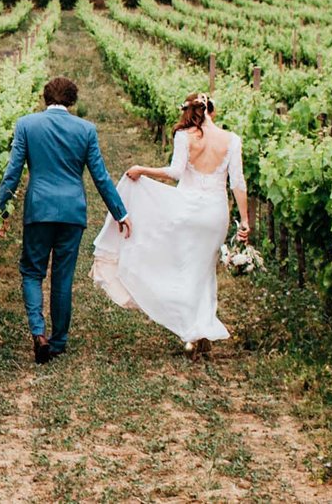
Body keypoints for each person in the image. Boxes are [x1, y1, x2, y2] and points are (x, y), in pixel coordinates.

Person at [91, 92, 250, 358]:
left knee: (185, 269)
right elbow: (237, 183)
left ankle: (192, 332)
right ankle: (201, 331)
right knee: (204, 271)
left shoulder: (184, 137)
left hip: (187, 211)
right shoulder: (232, 140)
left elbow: (175, 172)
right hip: (215, 213)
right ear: (212, 110)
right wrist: (244, 220)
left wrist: (142, 169)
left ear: (189, 111)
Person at [0, 76, 130, 364]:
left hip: (39, 209)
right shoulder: (86, 130)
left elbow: (13, 171)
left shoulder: (27, 125)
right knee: (62, 277)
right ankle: (58, 341)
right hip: (72, 212)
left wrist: (2, 209)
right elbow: (101, 176)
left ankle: (38, 332)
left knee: (32, 271)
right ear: (72, 100)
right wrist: (120, 212)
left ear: (45, 98)